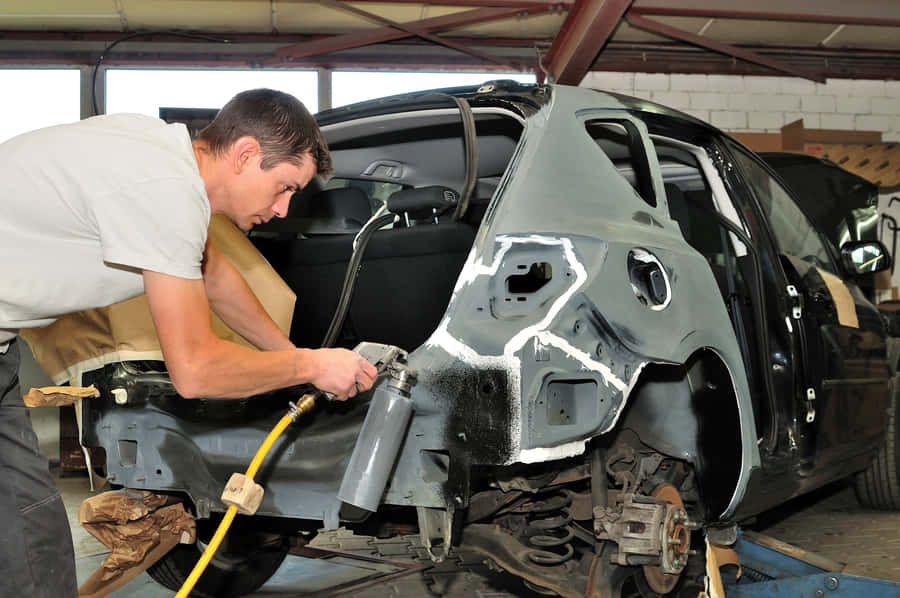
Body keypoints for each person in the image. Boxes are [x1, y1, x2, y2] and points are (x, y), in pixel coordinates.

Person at [0, 88, 377, 597]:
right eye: (284, 187)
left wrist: (289, 357)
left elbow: (216, 276)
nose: (285, 209)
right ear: (245, 154)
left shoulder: (164, 159)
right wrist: (310, 366)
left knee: (29, 536)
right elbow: (195, 371)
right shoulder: (166, 190)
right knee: (29, 541)